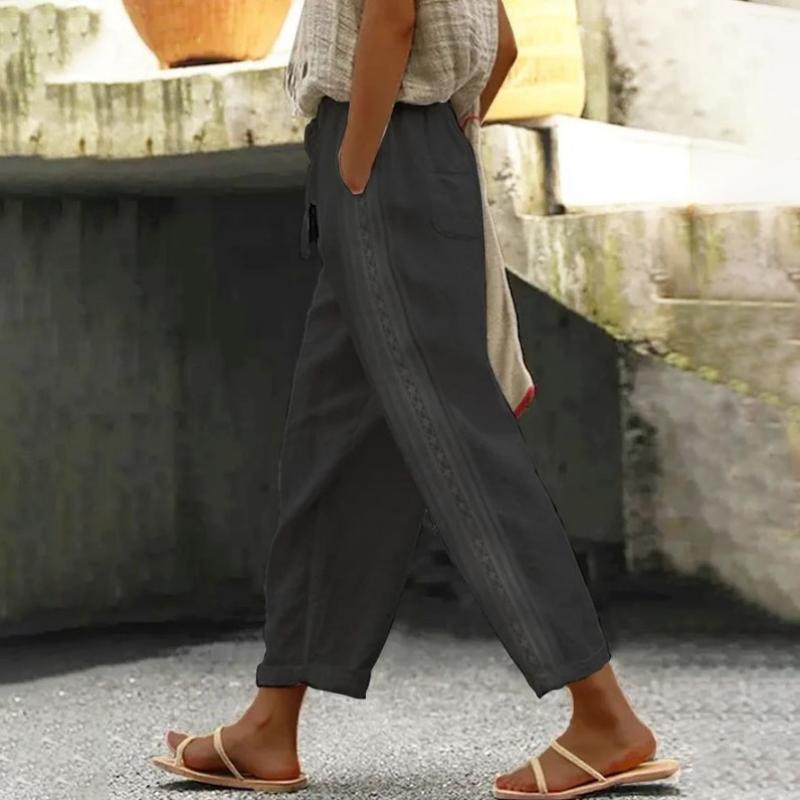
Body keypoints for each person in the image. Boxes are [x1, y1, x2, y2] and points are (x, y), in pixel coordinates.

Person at [150, 0, 681, 797]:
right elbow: (502, 42)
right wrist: (413, 146)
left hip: (381, 157)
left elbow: (392, 17)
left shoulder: (370, 147)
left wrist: (357, 161)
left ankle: (605, 717)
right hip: (411, 153)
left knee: (459, 445)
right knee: (331, 449)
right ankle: (269, 724)